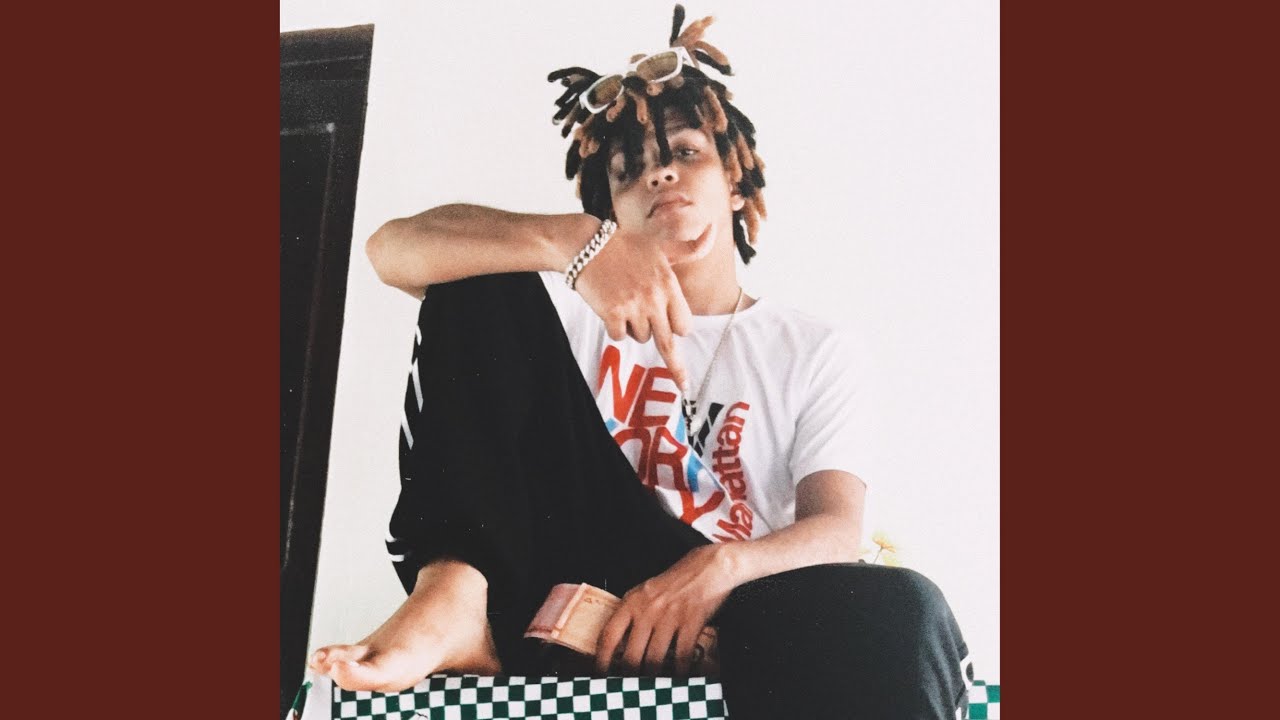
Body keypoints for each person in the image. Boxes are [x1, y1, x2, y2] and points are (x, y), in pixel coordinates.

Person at [309, 6, 971, 718]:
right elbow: (391, 249)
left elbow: (836, 528)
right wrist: (572, 244)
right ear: (613, 213)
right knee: (480, 271)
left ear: (736, 182)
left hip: (732, 609)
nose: (660, 175)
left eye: (686, 152)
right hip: (566, 588)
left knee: (905, 608)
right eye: (629, 172)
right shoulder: (566, 316)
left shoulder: (811, 347)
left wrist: (716, 567)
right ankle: (453, 595)